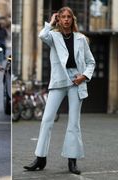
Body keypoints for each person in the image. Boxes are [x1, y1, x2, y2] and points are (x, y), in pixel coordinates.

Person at [23, 7, 95, 175]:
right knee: (46, 119)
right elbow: (42, 36)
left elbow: (91, 62)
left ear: (73, 19)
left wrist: (83, 76)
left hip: (76, 81)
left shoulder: (81, 39)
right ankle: (40, 158)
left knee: (73, 123)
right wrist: (51, 21)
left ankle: (72, 160)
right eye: (62, 17)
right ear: (59, 19)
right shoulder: (53, 37)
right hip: (58, 81)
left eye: (69, 16)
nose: (66, 19)